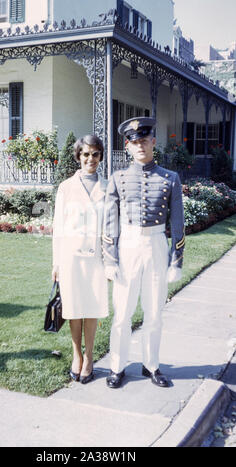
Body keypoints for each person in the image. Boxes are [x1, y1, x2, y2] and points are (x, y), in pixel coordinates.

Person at [103, 117, 185, 389]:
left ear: (153, 142)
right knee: (123, 312)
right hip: (127, 245)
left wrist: (177, 260)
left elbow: (177, 222)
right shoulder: (118, 178)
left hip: (155, 245)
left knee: (154, 311)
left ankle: (151, 365)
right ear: (128, 146)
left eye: (144, 141)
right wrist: (111, 258)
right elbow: (111, 221)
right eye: (134, 142)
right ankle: (117, 366)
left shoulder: (170, 178)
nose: (140, 146)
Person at [52, 135, 108, 384]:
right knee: (74, 307)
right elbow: (58, 227)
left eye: (95, 154)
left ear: (100, 157)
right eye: (85, 154)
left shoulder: (108, 188)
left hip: (97, 257)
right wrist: (56, 262)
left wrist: (112, 260)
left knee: (93, 307)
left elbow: (112, 225)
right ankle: (76, 355)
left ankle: (89, 356)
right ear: (78, 156)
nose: (90, 159)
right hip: (71, 257)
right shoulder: (66, 187)